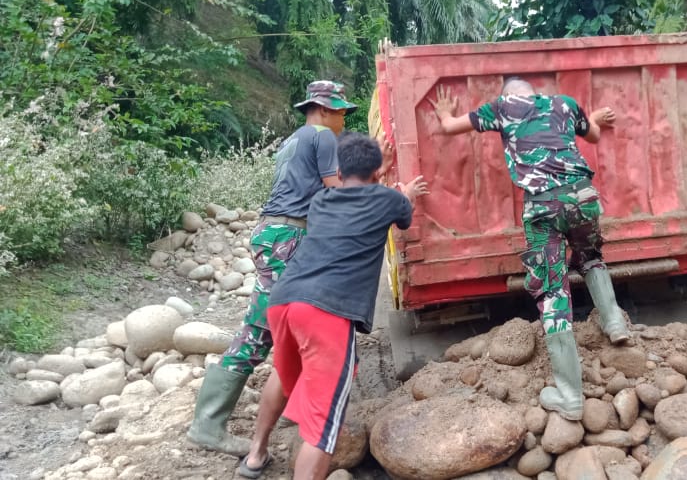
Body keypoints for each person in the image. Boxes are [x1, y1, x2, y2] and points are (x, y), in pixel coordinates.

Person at [430, 78, 629, 421]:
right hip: (583, 196)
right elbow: (592, 134)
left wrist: (445, 113)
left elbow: (449, 127)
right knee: (591, 256)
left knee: (553, 292)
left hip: (543, 207)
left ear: (509, 95)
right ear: (534, 92)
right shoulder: (565, 103)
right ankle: (615, 324)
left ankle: (569, 396)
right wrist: (591, 117)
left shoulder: (502, 108)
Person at [238, 135, 428, 479]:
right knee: (323, 424)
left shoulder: (322, 200)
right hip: (325, 311)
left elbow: (357, 190)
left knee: (284, 374)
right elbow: (403, 213)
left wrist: (376, 171)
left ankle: (255, 454)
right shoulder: (389, 200)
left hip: (284, 300)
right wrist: (406, 194)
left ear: (338, 170)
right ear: (376, 172)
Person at [187, 81, 358, 456]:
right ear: (324, 109)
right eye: (342, 111)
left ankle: (286, 405)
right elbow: (336, 191)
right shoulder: (323, 136)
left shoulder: (293, 140)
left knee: (287, 322)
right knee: (265, 327)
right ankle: (208, 425)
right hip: (288, 235)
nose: (344, 118)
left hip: (275, 232)